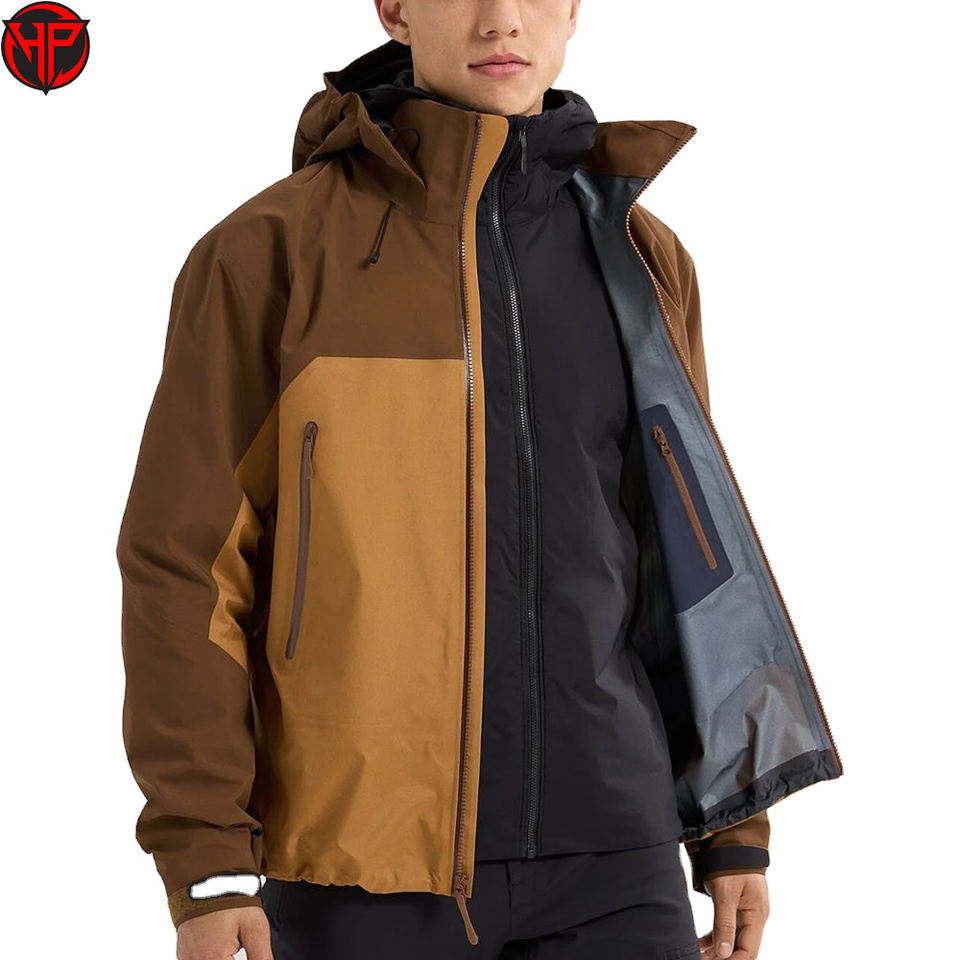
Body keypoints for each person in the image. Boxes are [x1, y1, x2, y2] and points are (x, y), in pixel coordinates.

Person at [116, 2, 842, 958]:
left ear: (573, 9)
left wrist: (731, 824)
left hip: (616, 854)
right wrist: (207, 857)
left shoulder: (639, 254)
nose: (502, 20)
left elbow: (687, 551)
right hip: (362, 861)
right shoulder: (272, 253)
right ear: (396, 9)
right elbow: (185, 567)